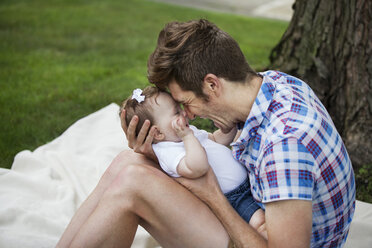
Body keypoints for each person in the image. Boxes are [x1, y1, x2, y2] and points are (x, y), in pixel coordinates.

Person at [57, 19, 355, 248]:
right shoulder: (275, 84)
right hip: (258, 207)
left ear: (212, 84)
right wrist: (158, 150)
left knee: (133, 184)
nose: (188, 115)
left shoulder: (283, 146)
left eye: (186, 103)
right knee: (128, 163)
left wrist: (213, 197)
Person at [120, 86, 266, 236]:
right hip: (234, 198)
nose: (184, 112)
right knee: (260, 223)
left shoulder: (187, 132)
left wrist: (229, 127)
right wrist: (187, 137)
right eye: (176, 112)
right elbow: (198, 167)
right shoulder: (168, 152)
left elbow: (215, 139)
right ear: (157, 133)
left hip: (248, 180)